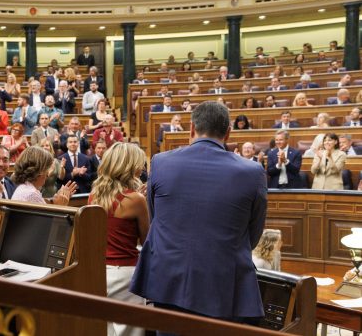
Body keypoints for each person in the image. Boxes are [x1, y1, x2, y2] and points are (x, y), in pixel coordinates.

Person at [131, 101, 266, 332]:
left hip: (168, 280)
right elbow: (252, 233)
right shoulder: (252, 172)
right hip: (223, 284)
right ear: (228, 133)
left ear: (191, 128)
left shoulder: (161, 162)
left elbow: (156, 219)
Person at [89, 142, 149, 336]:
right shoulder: (136, 200)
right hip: (125, 273)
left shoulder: (94, 195)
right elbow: (146, 241)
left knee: (106, 330)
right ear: (129, 166)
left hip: (99, 272)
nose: (142, 169)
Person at [11, 146, 76, 205]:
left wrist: (55, 201)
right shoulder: (31, 194)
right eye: (47, 168)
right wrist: (60, 205)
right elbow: (50, 218)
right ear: (40, 171)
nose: (47, 174)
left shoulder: (25, 188)